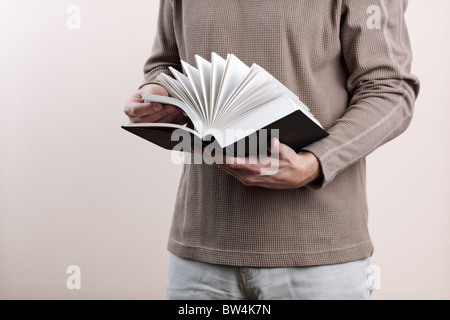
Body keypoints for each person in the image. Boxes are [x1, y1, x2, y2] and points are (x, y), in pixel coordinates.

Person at [124, 0, 419, 300]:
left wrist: (316, 161)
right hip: (199, 255)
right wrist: (159, 95)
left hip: (317, 260)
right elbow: (166, 65)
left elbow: (390, 89)